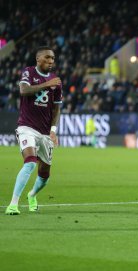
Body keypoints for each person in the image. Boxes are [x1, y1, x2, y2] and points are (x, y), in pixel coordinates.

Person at [5, 46, 62, 215]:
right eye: (47, 58)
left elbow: (57, 108)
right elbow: (23, 90)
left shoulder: (56, 82)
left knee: (44, 175)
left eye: (52, 58)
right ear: (38, 59)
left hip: (44, 132)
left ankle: (32, 195)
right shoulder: (29, 72)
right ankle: (13, 204)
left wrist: (53, 130)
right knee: (30, 162)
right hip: (26, 127)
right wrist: (46, 84)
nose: (51, 61)